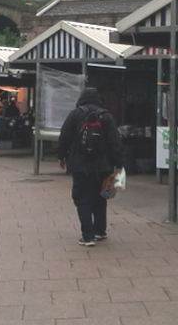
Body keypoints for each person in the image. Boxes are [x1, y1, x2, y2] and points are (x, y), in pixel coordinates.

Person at [58, 87, 124, 247]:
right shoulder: (106, 116)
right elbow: (114, 141)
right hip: (103, 166)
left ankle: (87, 236)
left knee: (82, 199)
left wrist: (61, 156)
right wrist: (118, 164)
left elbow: (64, 136)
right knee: (100, 197)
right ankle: (100, 231)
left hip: (80, 165)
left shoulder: (75, 114)